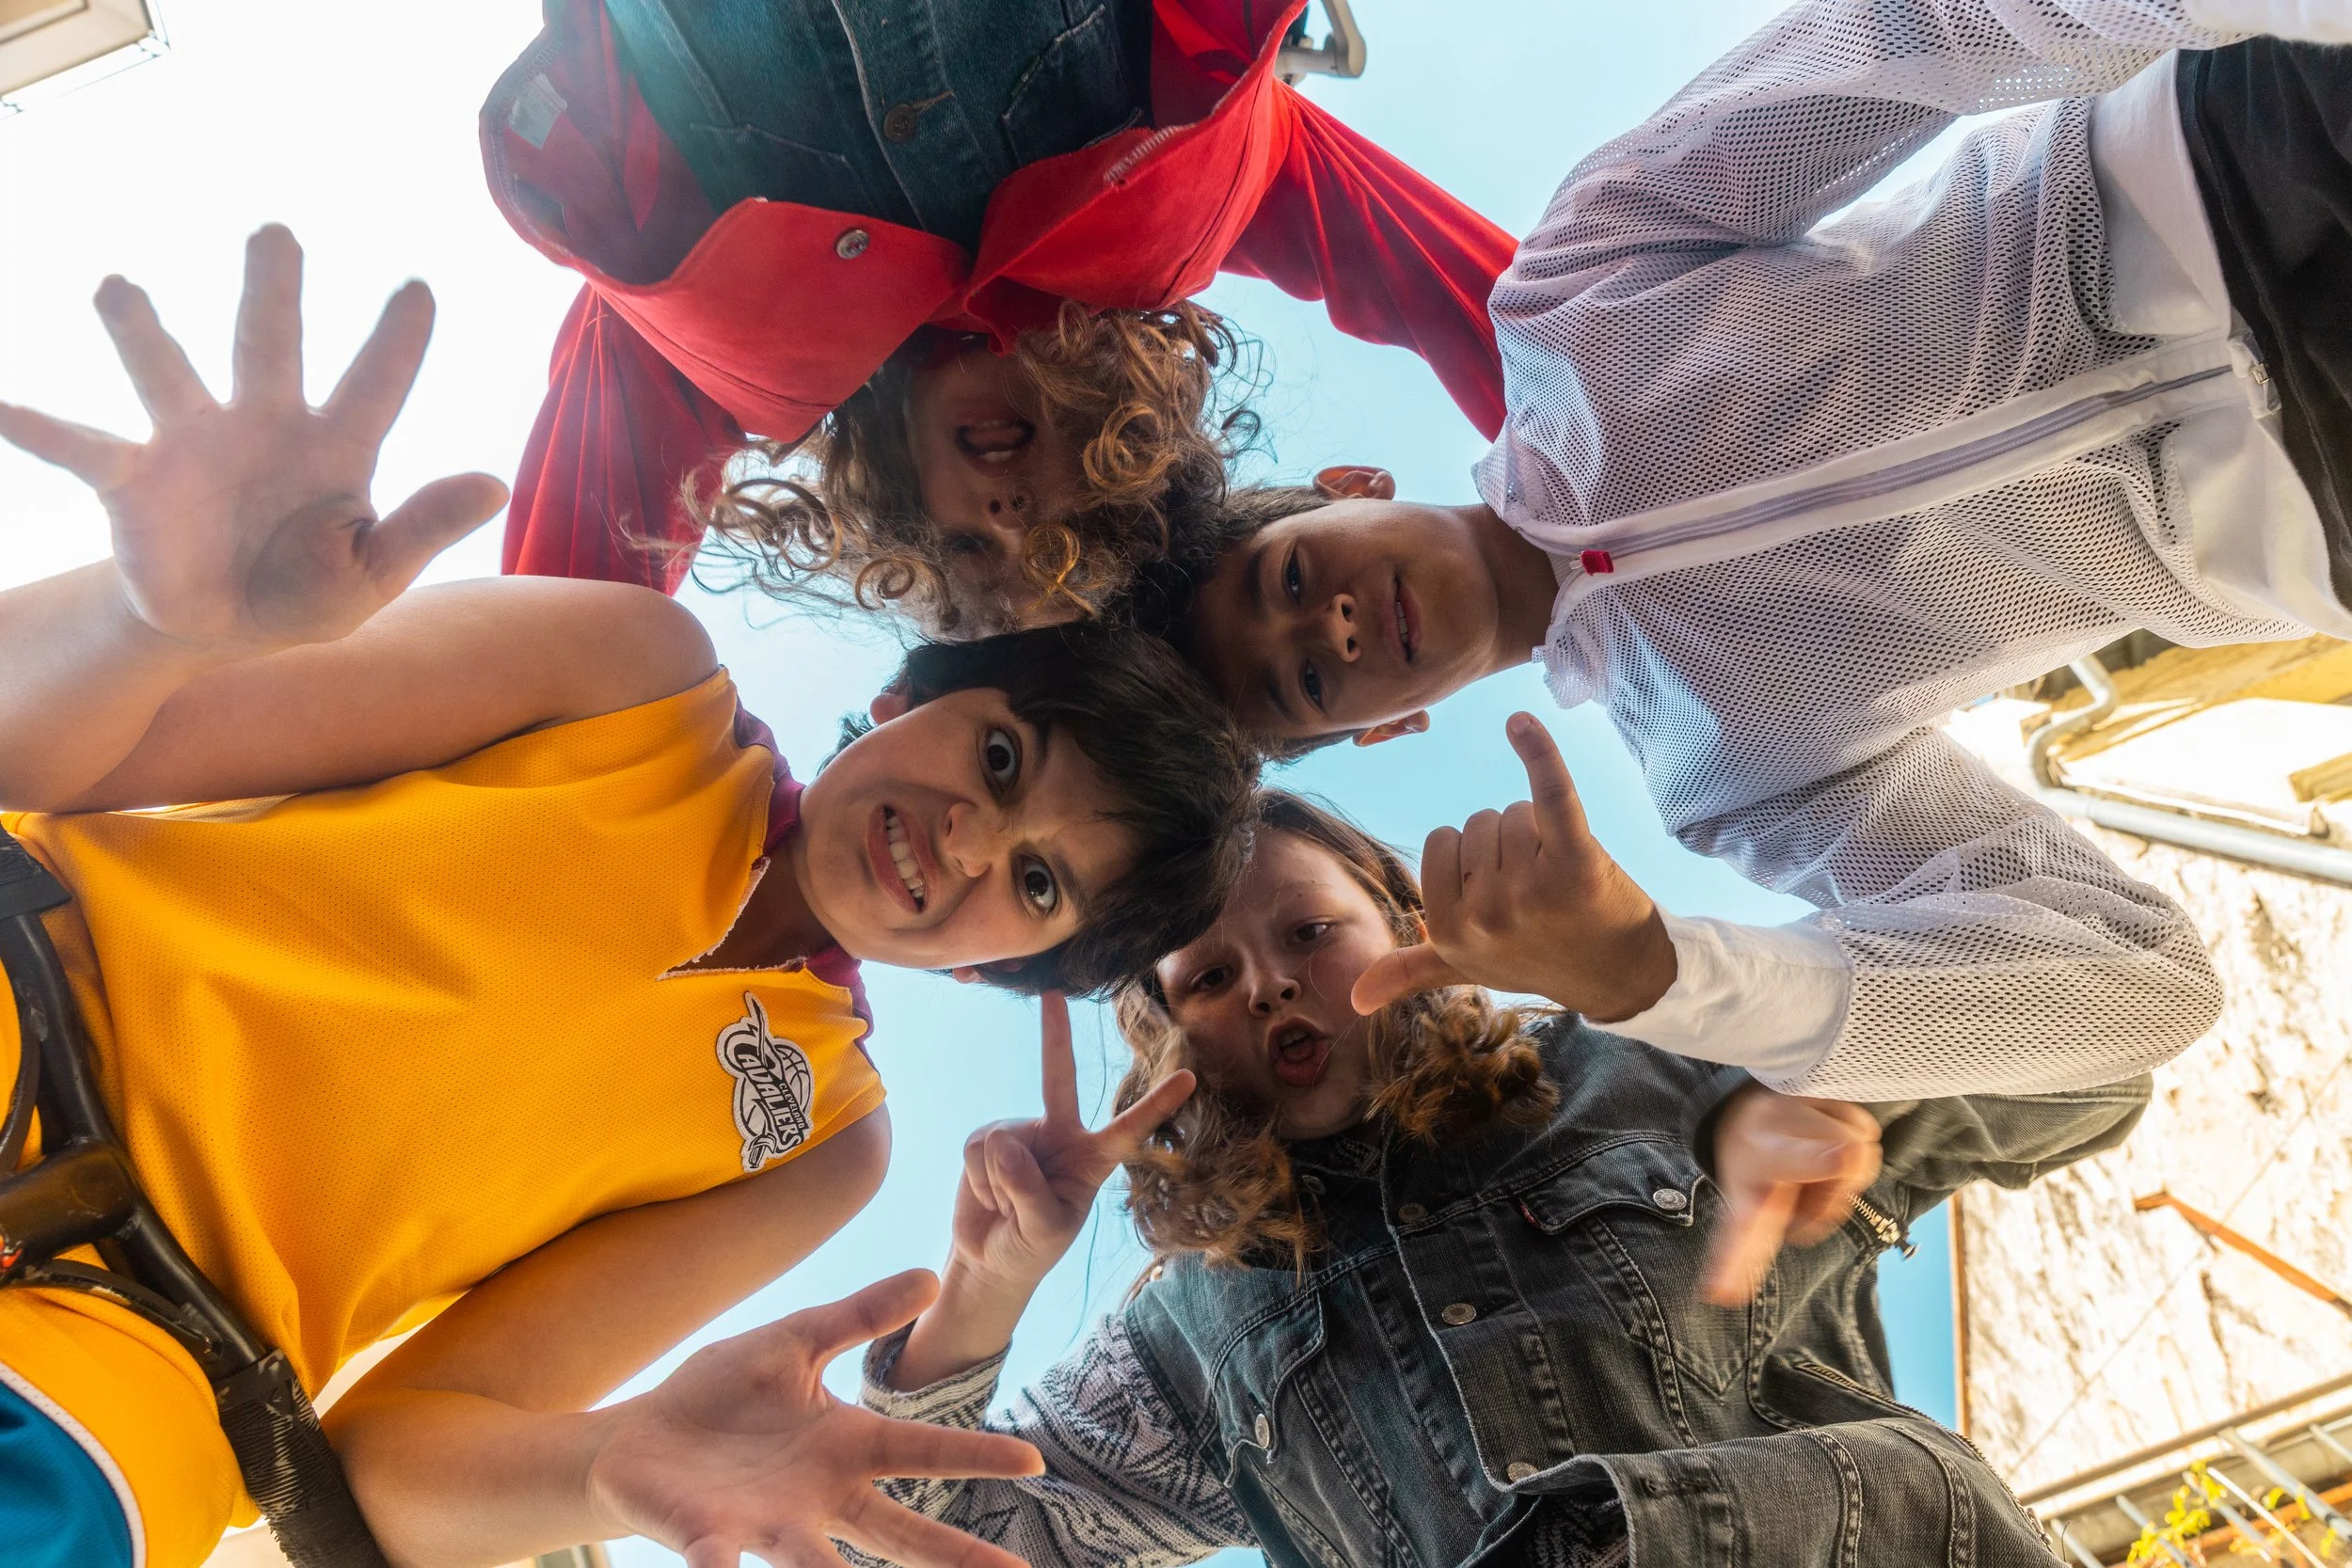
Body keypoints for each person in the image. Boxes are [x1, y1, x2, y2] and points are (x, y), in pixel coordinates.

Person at [0, 228, 1258, 1568]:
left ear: (1000, 969)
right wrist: (159, 626)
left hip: (124, 1373)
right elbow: (36, 747)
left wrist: (604, 1461)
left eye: (1036, 878)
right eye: (1002, 758)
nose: (964, 836)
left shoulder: (826, 1142)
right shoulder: (636, 678)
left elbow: (383, 1468)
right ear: (917, 693)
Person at [1151, 4, 2352, 1104]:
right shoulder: (1734, 778)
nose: (1332, 628)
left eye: (1290, 578)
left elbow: (1917, 34)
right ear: (1383, 726)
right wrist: (1652, 976)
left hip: (2238, 151)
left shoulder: (1576, 287)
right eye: (1304, 679)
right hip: (2319, 513)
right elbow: (2141, 982)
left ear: (1345, 486)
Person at [846, 786, 2144, 1568]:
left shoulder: (1657, 1066)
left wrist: (1816, 1071)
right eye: (1210, 979)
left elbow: (2102, 1057)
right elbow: (948, 1542)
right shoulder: (1187, 1337)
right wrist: (987, 1286)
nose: (1274, 981)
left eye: (1307, 930)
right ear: (1165, 1037)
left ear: (1409, 931)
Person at [481, 0, 1517, 633]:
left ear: (895, 517)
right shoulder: (1183, 193)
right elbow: (1523, 324)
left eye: (974, 558)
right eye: (1075, 535)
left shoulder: (722, 341)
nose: (1018, 523)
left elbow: (554, 637)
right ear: (1135, 462)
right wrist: (1542, 583)